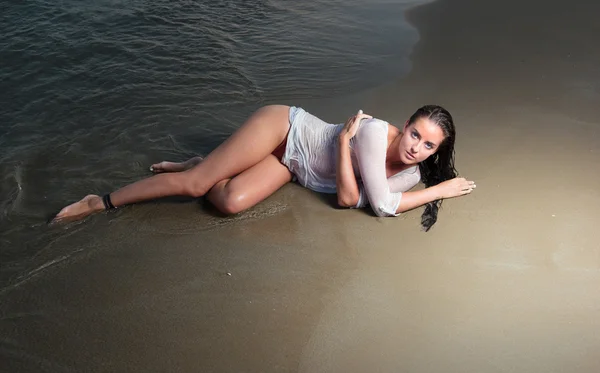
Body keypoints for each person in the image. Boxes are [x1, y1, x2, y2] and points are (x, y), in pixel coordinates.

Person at [53, 104, 475, 231]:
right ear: (405, 125)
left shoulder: (412, 174)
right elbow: (363, 200)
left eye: (428, 145)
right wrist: (345, 140)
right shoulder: (371, 133)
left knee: (229, 202)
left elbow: (376, 200)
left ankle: (210, 161)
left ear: (437, 152)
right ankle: (100, 200)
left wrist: (434, 189)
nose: (415, 147)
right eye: (415, 134)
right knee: (195, 186)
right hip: (284, 130)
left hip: (293, 167)